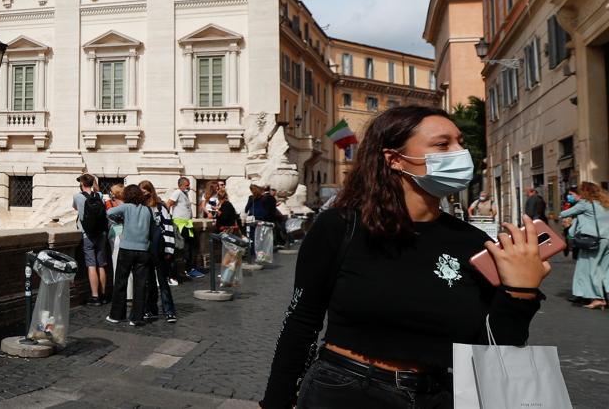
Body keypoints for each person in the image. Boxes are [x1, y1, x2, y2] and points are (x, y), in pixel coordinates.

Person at [261, 105, 549, 408]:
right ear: (395, 159)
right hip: (346, 391)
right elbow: (301, 321)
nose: (460, 152)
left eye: (460, 142)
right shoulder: (341, 227)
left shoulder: (475, 243)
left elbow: (495, 348)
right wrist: (276, 400)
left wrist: (520, 292)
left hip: (439, 396)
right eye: (442, 144)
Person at [105, 184, 152, 326]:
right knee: (140, 284)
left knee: (120, 282)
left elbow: (109, 213)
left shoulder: (126, 207)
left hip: (126, 248)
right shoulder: (147, 210)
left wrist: (117, 219)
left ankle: (117, 315)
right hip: (143, 249)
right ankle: (137, 317)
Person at [559, 182, 609, 309]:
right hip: (607, 239)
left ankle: (598, 298)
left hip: (594, 240)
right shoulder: (605, 203)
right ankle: (605, 294)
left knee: (592, 268)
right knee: (605, 268)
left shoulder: (585, 203)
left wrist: (571, 208)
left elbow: (563, 214)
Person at [140, 181, 177, 323]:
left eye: (145, 192)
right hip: (146, 249)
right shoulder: (140, 207)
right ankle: (151, 309)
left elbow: (168, 228)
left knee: (163, 281)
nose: (143, 195)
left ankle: (169, 310)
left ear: (150, 191)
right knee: (149, 282)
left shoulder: (161, 207)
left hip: (161, 249)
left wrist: (169, 249)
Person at [72, 174, 110, 306]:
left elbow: (75, 208)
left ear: (82, 184)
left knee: (91, 265)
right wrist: (96, 188)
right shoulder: (99, 196)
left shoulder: (77, 196)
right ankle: (104, 294)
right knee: (101, 264)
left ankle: (95, 296)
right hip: (101, 233)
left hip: (87, 234)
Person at [165, 177, 197, 279]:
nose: (189, 187)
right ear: (181, 185)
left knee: (188, 247)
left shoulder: (185, 194)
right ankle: (181, 271)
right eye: (187, 185)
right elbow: (168, 203)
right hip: (180, 224)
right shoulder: (177, 192)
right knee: (181, 247)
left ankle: (187, 269)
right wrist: (167, 218)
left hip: (187, 224)